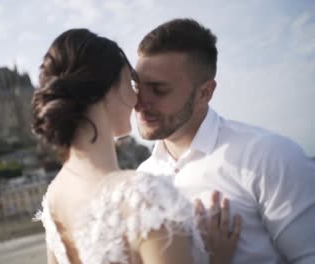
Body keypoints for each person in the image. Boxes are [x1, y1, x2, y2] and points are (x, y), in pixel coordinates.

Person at [32, 28, 240, 264]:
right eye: (132, 83)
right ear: (108, 90)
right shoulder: (143, 196)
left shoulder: (54, 198)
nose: (138, 99)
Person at [135, 18, 315, 263]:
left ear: (204, 93)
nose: (140, 102)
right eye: (138, 87)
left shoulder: (269, 156)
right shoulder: (142, 178)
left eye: (158, 89)